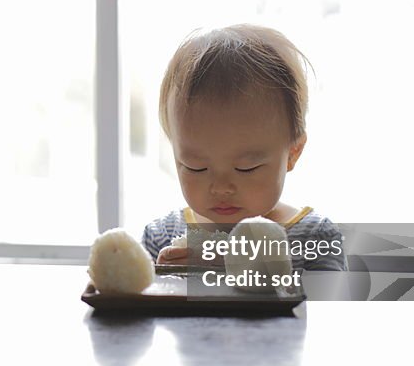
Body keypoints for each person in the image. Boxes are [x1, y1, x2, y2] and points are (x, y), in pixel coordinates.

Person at [141, 24, 346, 271]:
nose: (221, 188)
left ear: (293, 153)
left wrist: (238, 268)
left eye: (246, 168)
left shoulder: (315, 239)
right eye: (196, 167)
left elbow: (329, 307)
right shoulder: (162, 238)